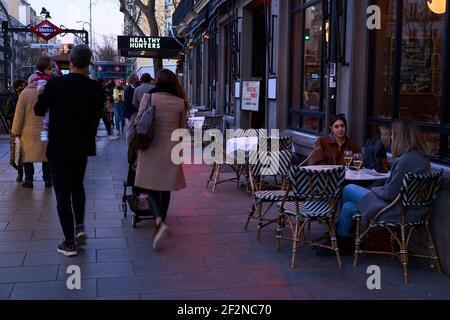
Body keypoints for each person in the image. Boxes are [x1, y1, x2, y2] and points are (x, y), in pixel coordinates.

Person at [35, 44, 104, 257]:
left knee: (62, 194)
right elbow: (96, 118)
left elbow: (39, 110)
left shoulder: (55, 84)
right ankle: (80, 225)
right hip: (81, 146)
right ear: (89, 64)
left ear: (71, 61)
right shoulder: (96, 88)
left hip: (58, 147)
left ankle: (69, 242)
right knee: (77, 185)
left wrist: (42, 93)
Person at [333, 120, 431, 254]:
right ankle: (343, 241)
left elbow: (389, 193)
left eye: (392, 134)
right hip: (414, 210)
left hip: (397, 211)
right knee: (348, 207)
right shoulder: (422, 159)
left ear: (400, 138)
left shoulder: (404, 161)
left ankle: (338, 241)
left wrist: (373, 190)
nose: (391, 137)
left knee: (348, 188)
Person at [134, 69, 188, 250]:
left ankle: (157, 220)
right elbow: (182, 130)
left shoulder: (149, 98)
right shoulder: (180, 102)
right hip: (171, 149)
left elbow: (139, 121)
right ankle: (162, 221)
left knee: (148, 186)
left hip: (150, 148)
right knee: (165, 188)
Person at [11, 58, 54, 189]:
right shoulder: (48, 90)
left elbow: (19, 115)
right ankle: (47, 180)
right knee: (46, 156)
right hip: (45, 130)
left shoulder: (24, 93)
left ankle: (29, 180)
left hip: (27, 131)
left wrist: (15, 131)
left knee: (27, 157)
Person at [5, 79, 27, 182]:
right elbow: (7, 115)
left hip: (26, 129)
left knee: (24, 154)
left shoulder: (27, 99)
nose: (23, 88)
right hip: (14, 129)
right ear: (16, 88)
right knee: (14, 157)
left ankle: (22, 174)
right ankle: (19, 169)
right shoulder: (12, 99)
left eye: (24, 86)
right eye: (21, 86)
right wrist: (18, 114)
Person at [128, 73, 155, 143]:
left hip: (141, 113)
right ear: (149, 79)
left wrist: (139, 108)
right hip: (152, 112)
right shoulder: (154, 88)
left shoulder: (137, 89)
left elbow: (134, 102)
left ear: (141, 80)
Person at [123, 73, 139, 144]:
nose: (138, 79)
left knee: (133, 129)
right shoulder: (128, 89)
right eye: (137, 78)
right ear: (133, 80)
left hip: (134, 111)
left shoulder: (134, 87)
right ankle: (129, 145)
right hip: (132, 112)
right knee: (130, 129)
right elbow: (127, 102)